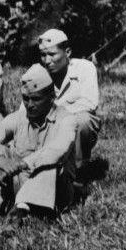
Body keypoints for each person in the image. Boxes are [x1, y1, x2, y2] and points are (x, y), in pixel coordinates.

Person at [0, 64, 78, 231]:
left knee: (48, 164)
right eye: (26, 98)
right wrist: (0, 160)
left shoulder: (67, 119)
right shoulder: (19, 118)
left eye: (36, 99)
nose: (30, 104)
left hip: (55, 191)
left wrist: (19, 164)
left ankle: (21, 213)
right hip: (20, 184)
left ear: (52, 97)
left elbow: (57, 151)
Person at [37, 28, 101, 179]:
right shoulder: (38, 74)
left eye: (52, 54)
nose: (47, 61)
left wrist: (57, 114)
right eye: (43, 55)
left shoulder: (85, 68)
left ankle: (78, 172)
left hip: (71, 125)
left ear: (67, 52)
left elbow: (90, 103)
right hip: (47, 130)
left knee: (83, 120)